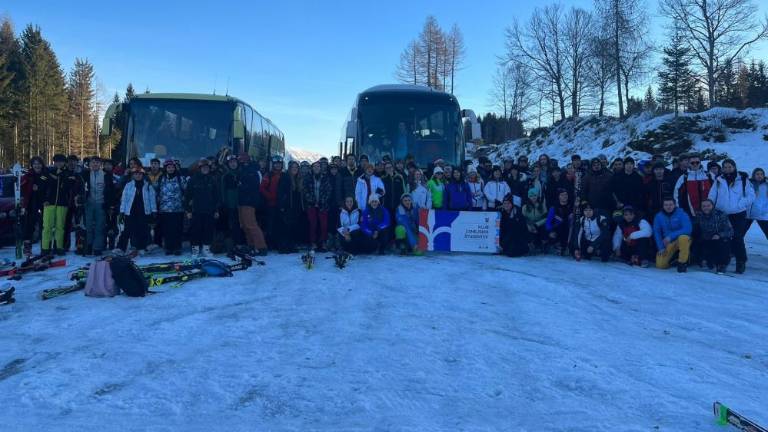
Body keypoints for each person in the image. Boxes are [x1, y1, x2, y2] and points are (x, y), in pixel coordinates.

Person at [707, 159, 755, 273]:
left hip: (738, 213)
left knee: (737, 237)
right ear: (722, 168)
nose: (727, 169)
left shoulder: (743, 179)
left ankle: (741, 261)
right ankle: (723, 262)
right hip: (722, 214)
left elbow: (751, 196)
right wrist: (711, 206)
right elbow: (712, 194)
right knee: (724, 238)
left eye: (730, 167)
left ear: (734, 167)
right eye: (725, 167)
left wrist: (740, 204)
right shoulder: (719, 179)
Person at [41, 154, 78, 255]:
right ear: (54, 162)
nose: (59, 163)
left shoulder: (68, 173)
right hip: (49, 203)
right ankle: (45, 248)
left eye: (61, 161)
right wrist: (44, 199)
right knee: (47, 226)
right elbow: (43, 187)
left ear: (64, 163)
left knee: (60, 227)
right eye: (57, 161)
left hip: (62, 203)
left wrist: (62, 177)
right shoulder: (48, 172)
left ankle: (59, 247)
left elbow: (69, 187)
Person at [78, 157, 115, 256]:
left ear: (100, 165)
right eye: (93, 162)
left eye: (97, 163)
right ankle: (89, 245)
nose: (95, 164)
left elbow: (111, 191)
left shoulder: (106, 175)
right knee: (88, 226)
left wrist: (110, 205)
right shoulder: (85, 174)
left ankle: (97, 247)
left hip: (101, 204)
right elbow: (78, 187)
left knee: (100, 227)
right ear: (89, 164)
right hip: (89, 203)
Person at [184, 159, 221, 256]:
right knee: (195, 230)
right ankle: (195, 249)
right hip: (195, 210)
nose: (205, 169)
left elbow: (216, 197)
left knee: (208, 230)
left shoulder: (212, 180)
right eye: (203, 168)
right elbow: (187, 196)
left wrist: (216, 210)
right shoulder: (193, 180)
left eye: (207, 167)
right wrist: (188, 210)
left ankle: (206, 248)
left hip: (209, 210)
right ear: (199, 168)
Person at [117, 168, 157, 255]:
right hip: (130, 211)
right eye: (136, 174)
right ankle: (121, 248)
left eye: (140, 174)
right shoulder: (128, 185)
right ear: (133, 175)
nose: (138, 175)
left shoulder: (148, 186)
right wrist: (122, 211)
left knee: (144, 229)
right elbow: (124, 199)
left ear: (143, 175)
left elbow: (152, 199)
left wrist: (154, 210)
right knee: (127, 229)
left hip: (144, 211)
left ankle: (144, 246)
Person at [237, 155, 268, 256]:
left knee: (251, 224)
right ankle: (251, 244)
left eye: (244, 161)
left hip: (249, 201)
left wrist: (241, 185)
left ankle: (261, 247)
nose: (243, 162)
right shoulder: (244, 169)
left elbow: (255, 187)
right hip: (242, 201)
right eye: (241, 161)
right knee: (245, 225)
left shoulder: (253, 171)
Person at [653, 197, 692, 272]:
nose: (668, 207)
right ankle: (674, 258)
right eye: (666, 205)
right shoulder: (658, 216)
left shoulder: (682, 214)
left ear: (675, 205)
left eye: (670, 204)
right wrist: (661, 247)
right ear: (663, 206)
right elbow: (656, 232)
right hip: (668, 243)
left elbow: (688, 229)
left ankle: (682, 263)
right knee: (660, 265)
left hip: (683, 240)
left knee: (683, 238)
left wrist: (670, 236)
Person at [157, 159, 187, 255]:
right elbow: (157, 191)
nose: (170, 169)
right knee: (167, 229)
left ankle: (177, 247)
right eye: (168, 167)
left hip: (177, 208)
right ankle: (168, 247)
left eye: (172, 167)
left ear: (175, 168)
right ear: (165, 168)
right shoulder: (161, 178)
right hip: (165, 208)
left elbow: (186, 190)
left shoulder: (180, 178)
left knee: (177, 229)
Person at [696, 199, 733, 274]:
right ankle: (705, 260)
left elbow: (730, 231)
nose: (706, 208)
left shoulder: (721, 215)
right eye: (704, 206)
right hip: (706, 239)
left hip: (719, 239)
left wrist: (719, 235)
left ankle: (722, 264)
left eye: (708, 206)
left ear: (712, 206)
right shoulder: (699, 216)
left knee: (723, 242)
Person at [20, 156, 48, 256]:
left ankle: (44, 248)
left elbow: (48, 187)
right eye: (35, 164)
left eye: (39, 163)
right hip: (31, 204)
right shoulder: (28, 175)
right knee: (29, 226)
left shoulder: (46, 174)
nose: (37, 165)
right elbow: (21, 187)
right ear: (32, 165)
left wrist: (39, 188)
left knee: (44, 226)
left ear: (42, 164)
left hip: (44, 203)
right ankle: (27, 248)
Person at [303, 161, 332, 251]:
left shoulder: (325, 178)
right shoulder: (308, 178)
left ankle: (323, 242)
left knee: (323, 224)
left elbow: (328, 190)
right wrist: (312, 201)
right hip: (311, 205)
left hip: (323, 205)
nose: (316, 168)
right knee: (313, 224)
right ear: (312, 168)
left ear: (320, 168)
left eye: (318, 166)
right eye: (314, 166)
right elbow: (305, 190)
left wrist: (321, 201)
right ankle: (313, 242)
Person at [276, 161, 303, 253]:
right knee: (285, 227)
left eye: (296, 167)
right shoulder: (285, 177)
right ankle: (283, 246)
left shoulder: (299, 178)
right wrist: (282, 205)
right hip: (287, 206)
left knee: (293, 226)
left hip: (296, 206)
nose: (295, 169)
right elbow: (280, 192)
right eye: (293, 167)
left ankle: (291, 245)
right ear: (289, 168)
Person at [260, 157, 284, 249]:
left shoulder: (283, 175)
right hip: (270, 204)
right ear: (273, 165)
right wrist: (270, 196)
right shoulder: (268, 175)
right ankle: (269, 243)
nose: (278, 165)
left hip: (280, 204)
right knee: (270, 223)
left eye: (279, 163)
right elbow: (262, 188)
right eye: (276, 164)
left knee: (279, 223)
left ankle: (277, 242)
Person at [220, 155, 242, 252]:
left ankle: (241, 243)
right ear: (228, 164)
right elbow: (222, 191)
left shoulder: (241, 174)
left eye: (234, 162)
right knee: (232, 224)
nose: (233, 164)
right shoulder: (226, 176)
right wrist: (224, 203)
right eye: (231, 162)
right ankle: (233, 244)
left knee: (242, 224)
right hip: (230, 204)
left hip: (242, 203)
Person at [544, 189, 572, 255]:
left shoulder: (571, 207)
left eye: (566, 194)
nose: (564, 196)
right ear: (558, 196)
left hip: (568, 231)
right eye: (562, 195)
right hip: (557, 230)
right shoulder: (554, 208)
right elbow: (548, 222)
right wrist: (550, 231)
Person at [746, 167, 767, 239]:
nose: (759, 176)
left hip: (763, 214)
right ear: (753, 175)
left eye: (761, 174)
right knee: (739, 234)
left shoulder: (766, 185)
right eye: (757, 174)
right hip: (749, 214)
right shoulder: (748, 184)